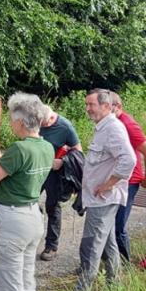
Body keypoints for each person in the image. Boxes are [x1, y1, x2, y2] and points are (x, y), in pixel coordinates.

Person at [54, 89, 135, 291]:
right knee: (108, 246)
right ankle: (115, 288)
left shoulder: (113, 129)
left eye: (92, 105)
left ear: (106, 106)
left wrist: (109, 184)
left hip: (104, 200)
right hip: (98, 199)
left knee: (90, 248)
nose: (88, 108)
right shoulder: (104, 127)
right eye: (87, 104)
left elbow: (129, 159)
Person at [0, 93, 54, 291]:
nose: (11, 123)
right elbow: (22, 171)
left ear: (21, 122)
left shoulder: (19, 149)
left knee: (11, 290)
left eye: (13, 119)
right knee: (26, 280)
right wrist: (1, 157)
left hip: (11, 220)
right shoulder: (46, 147)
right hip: (33, 215)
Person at [108, 92, 146, 262]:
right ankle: (108, 260)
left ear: (119, 107)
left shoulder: (128, 125)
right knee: (106, 224)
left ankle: (124, 265)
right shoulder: (110, 123)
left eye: (109, 108)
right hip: (113, 179)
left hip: (128, 181)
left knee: (117, 226)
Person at [37, 103, 82, 262]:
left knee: (53, 206)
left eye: (43, 123)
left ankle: (51, 246)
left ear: (51, 117)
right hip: (36, 169)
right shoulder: (36, 120)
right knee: (27, 200)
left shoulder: (65, 127)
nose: (40, 126)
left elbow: (78, 151)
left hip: (55, 173)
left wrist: (62, 161)